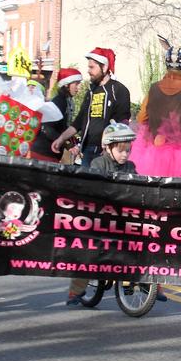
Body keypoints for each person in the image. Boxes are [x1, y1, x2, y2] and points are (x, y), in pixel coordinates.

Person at [66, 122, 137, 307]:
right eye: (121, 150)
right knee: (89, 251)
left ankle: (152, 286)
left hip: (124, 218)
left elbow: (139, 187)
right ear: (108, 147)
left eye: (128, 150)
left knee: (143, 246)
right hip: (101, 218)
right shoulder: (99, 163)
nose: (125, 155)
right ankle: (76, 290)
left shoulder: (130, 166)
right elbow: (94, 187)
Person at [129, 37, 181, 178]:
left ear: (166, 64)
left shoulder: (153, 88)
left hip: (153, 151)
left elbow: (141, 118)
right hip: (180, 156)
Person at [51, 48, 131, 168]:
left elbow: (123, 123)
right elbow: (79, 121)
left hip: (106, 152)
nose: (88, 71)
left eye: (92, 67)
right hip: (87, 150)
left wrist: (110, 147)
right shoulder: (91, 91)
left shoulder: (119, 90)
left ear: (104, 67)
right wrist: (61, 139)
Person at [50, 67, 83, 162]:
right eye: (76, 84)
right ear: (66, 85)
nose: (78, 88)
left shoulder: (67, 100)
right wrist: (68, 145)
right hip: (50, 149)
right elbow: (53, 128)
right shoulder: (60, 102)